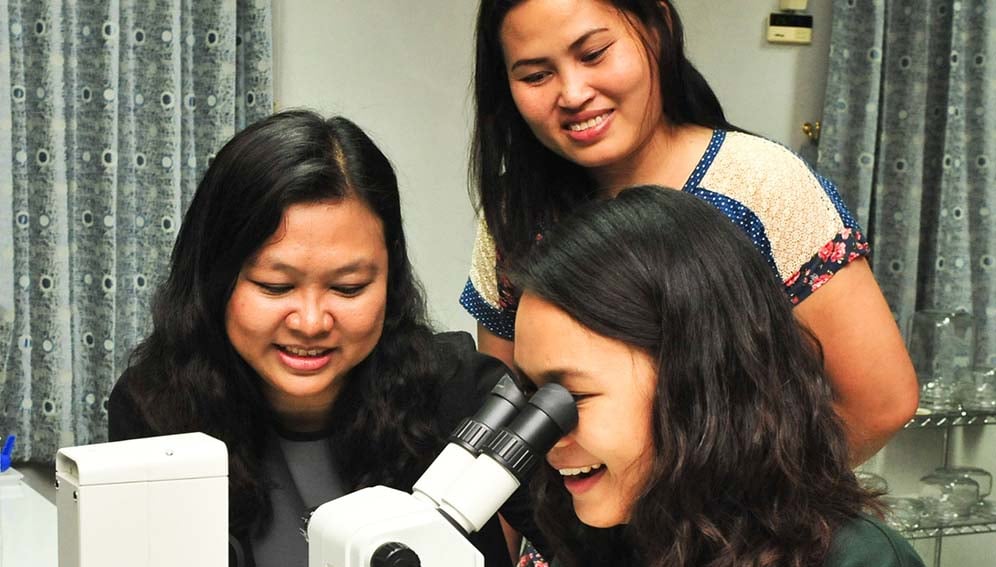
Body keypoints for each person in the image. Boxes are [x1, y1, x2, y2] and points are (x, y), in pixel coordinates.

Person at [460, 0, 917, 465]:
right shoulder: (513, 213)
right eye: (536, 76)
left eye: (594, 53)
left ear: (657, 25)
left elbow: (879, 405)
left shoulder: (761, 186)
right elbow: (506, 426)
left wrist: (741, 517)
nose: (573, 93)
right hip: (571, 529)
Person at [109, 110, 536, 566]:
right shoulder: (155, 412)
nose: (311, 323)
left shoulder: (461, 393)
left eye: (348, 288)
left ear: (390, 282)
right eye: (275, 286)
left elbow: (589, 542)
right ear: (216, 280)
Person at [510, 185, 926, 567]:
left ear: (696, 382)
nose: (548, 433)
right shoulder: (610, 540)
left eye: (573, 396)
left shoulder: (857, 559)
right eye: (534, 394)